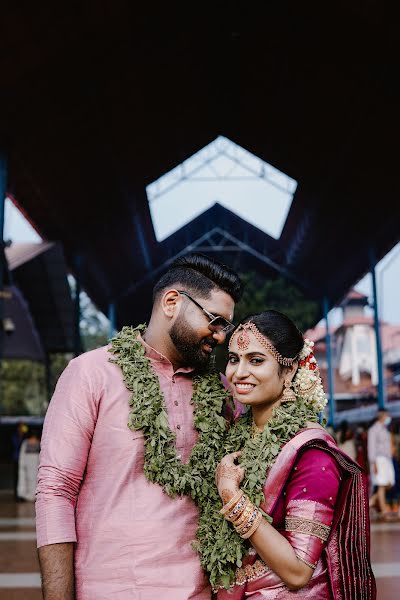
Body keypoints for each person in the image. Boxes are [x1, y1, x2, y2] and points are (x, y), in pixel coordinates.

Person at [36, 253, 242, 600]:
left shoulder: (223, 390)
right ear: (172, 302)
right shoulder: (91, 373)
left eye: (226, 327)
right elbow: (56, 491)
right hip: (111, 589)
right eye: (215, 320)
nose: (221, 336)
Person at [197, 310, 375, 599]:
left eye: (255, 360)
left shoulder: (312, 454)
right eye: (233, 359)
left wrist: (231, 496)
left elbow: (297, 571)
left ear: (290, 369)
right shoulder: (236, 438)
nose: (238, 373)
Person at [368, 409, 396, 517]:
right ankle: (384, 510)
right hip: (379, 460)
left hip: (387, 459)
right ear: (382, 416)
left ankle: (371, 501)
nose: (389, 418)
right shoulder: (374, 430)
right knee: (381, 485)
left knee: (388, 483)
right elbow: (371, 447)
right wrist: (373, 463)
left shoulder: (385, 429)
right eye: (387, 416)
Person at [17, 427, 41, 501]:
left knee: (35, 479)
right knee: (27, 479)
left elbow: (41, 454)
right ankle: (28, 495)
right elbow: (22, 454)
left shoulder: (38, 442)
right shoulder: (26, 442)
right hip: (28, 463)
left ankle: (35, 495)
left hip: (35, 463)